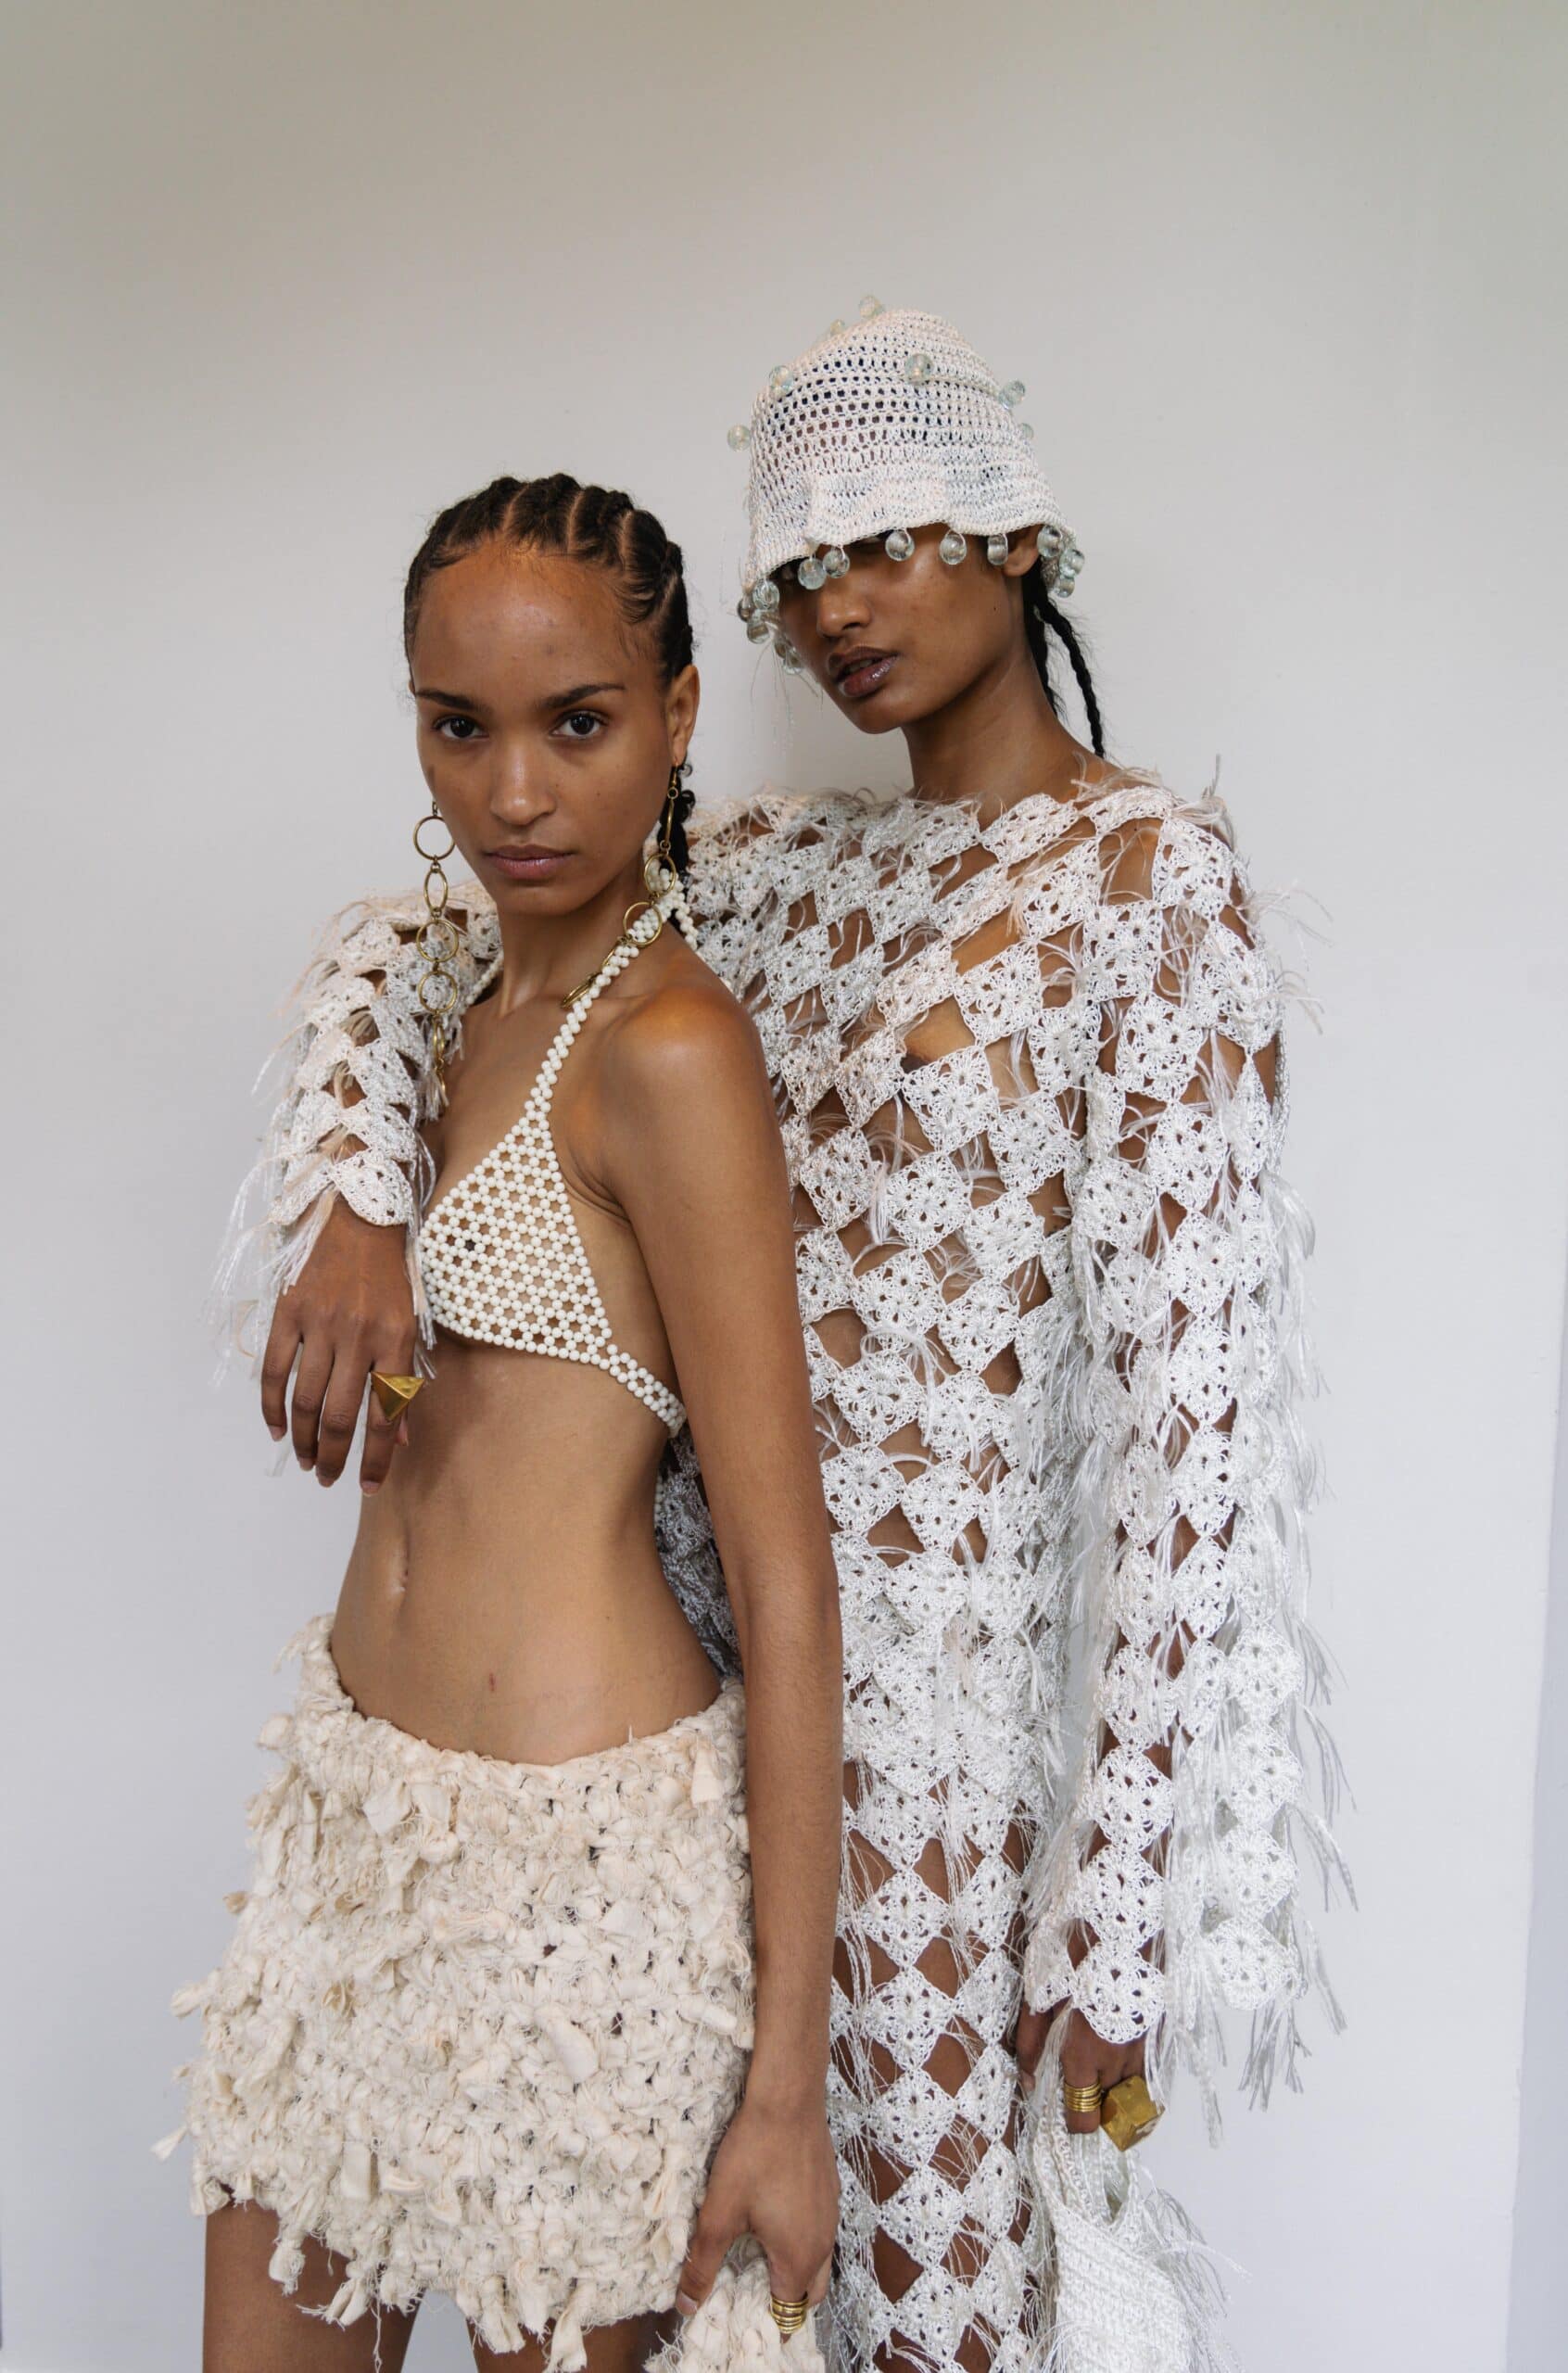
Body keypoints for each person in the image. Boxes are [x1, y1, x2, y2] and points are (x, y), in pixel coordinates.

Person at [227, 312, 1344, 2372]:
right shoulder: (759, 862)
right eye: (802, 564)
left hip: (927, 1777)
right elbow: (410, 945)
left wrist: (1126, 1907)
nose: (842, 602)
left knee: (925, 2316)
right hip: (667, 1731)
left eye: (892, 537)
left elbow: (1191, 1437)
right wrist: (357, 1187)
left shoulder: (1142, 882)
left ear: (1017, 537)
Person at [158, 476, 844, 2373]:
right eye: (458, 726)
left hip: (582, 1881)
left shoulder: (670, 1052)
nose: (515, 794)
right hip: (349, 1830)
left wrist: (786, 2089)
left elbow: (787, 1583)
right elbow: (357, 989)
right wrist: (357, 1200)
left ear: (680, 714)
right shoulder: (428, 1000)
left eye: (578, 723)